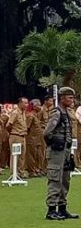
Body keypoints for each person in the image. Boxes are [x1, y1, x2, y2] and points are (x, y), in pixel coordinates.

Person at [44, 87, 76, 220]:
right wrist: (54, 143)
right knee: (55, 178)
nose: (72, 100)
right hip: (57, 151)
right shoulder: (56, 113)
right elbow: (47, 132)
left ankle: (62, 208)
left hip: (66, 150)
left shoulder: (66, 112)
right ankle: (51, 209)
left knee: (65, 179)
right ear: (62, 98)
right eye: (69, 98)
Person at [6, 97, 29, 171]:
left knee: (22, 156)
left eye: (27, 103)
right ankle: (14, 173)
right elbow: (8, 125)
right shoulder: (15, 113)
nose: (27, 105)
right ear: (20, 103)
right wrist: (13, 132)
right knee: (15, 155)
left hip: (23, 136)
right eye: (25, 103)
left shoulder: (23, 113)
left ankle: (20, 172)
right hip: (15, 136)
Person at [26, 100, 44, 177]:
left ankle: (37, 169)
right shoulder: (30, 115)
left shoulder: (36, 115)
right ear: (34, 106)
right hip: (32, 139)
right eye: (39, 105)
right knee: (31, 155)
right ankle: (31, 171)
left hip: (38, 139)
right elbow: (27, 127)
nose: (40, 107)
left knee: (38, 155)